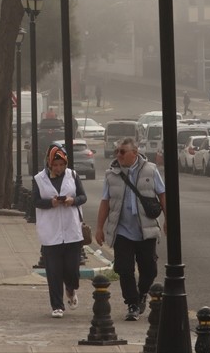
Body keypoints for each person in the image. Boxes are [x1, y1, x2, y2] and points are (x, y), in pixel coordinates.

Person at [94, 136, 165, 322]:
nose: (118, 155)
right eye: (117, 151)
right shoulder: (111, 175)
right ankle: (132, 304)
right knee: (124, 269)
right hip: (122, 230)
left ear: (134, 153)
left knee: (149, 270)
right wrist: (99, 228)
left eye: (122, 152)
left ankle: (141, 293)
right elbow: (105, 202)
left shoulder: (150, 170)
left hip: (145, 230)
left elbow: (162, 194)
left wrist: (168, 220)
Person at [32, 144, 87, 318]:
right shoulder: (39, 179)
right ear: (49, 163)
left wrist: (73, 200)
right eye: (55, 165)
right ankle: (57, 305)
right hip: (51, 232)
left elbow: (83, 196)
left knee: (72, 269)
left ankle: (70, 288)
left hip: (72, 231)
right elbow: (35, 201)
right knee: (54, 272)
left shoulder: (73, 175)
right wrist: (51, 203)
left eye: (61, 164)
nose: (59, 168)